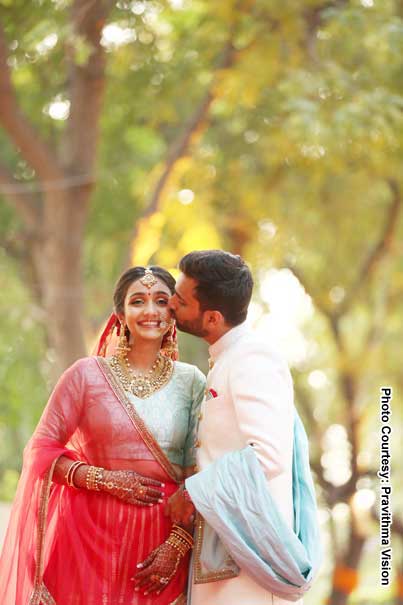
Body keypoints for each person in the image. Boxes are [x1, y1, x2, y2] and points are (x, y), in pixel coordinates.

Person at [0, 266, 205, 605]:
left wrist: (178, 543)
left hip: (157, 541)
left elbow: (199, 471)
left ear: (173, 313)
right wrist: (106, 480)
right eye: (138, 301)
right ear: (120, 314)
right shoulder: (86, 375)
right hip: (84, 538)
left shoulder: (192, 382)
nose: (150, 311)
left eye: (161, 301)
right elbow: (39, 451)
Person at [164, 250, 321, 605]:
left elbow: (267, 456)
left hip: (249, 557)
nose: (172, 305)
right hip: (225, 549)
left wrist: (192, 492)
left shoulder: (253, 358)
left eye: (181, 300)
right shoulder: (226, 357)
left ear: (213, 317)